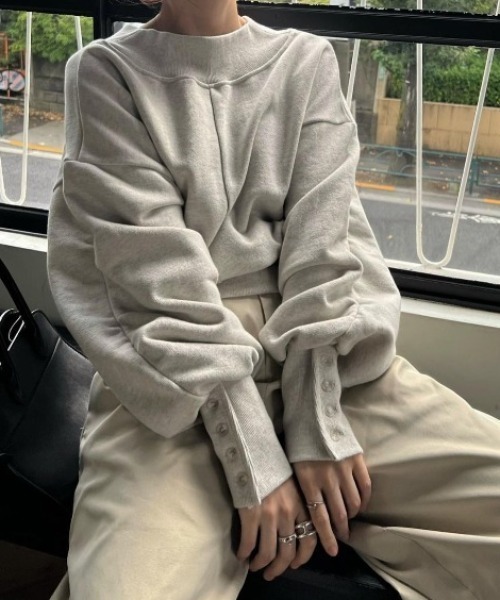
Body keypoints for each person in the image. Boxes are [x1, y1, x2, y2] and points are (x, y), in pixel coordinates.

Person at [47, 0, 500, 598]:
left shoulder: (306, 61)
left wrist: (316, 423)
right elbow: (158, 284)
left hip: (328, 362)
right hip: (171, 382)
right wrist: (254, 458)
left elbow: (324, 255)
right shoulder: (106, 72)